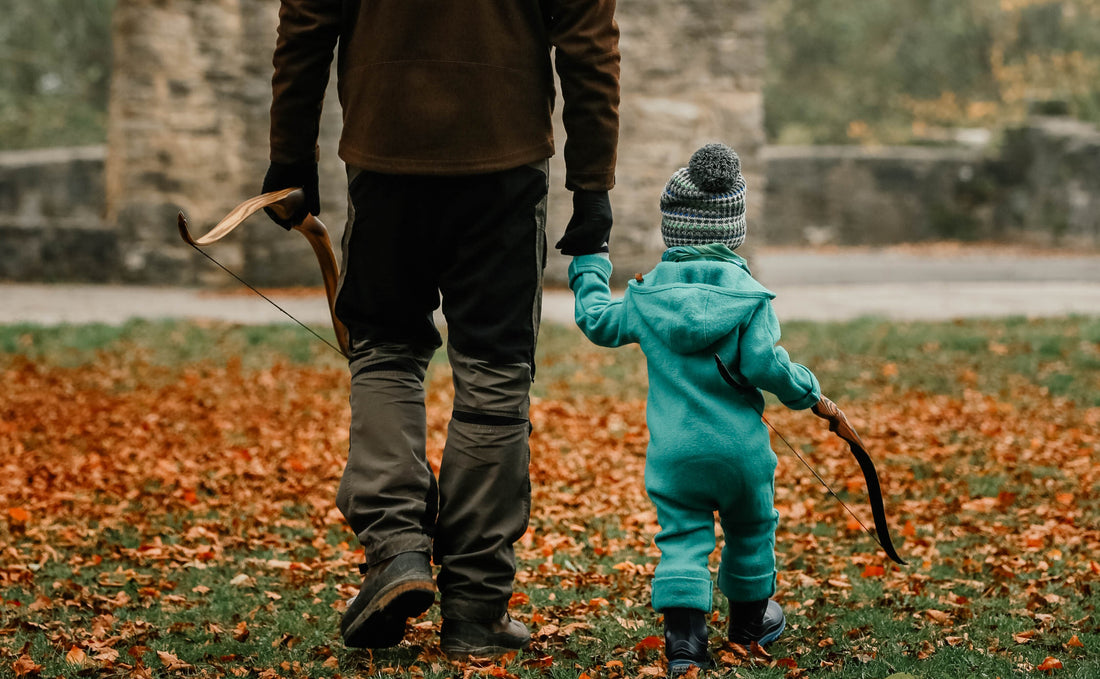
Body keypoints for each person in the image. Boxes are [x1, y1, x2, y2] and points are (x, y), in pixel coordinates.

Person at [260, 0, 620, 659]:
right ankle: (476, 611)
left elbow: (307, 23)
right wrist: (593, 187)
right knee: (494, 373)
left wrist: (291, 157)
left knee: (385, 354)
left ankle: (396, 550)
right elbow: (588, 42)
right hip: (505, 170)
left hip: (385, 159)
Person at [567, 143, 829, 675]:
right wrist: (806, 392)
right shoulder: (750, 298)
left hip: (675, 455)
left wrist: (590, 261)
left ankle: (685, 645)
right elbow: (764, 365)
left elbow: (595, 318)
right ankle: (749, 626)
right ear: (734, 229)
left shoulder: (644, 300)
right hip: (742, 455)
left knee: (683, 536)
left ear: (674, 231)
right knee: (752, 528)